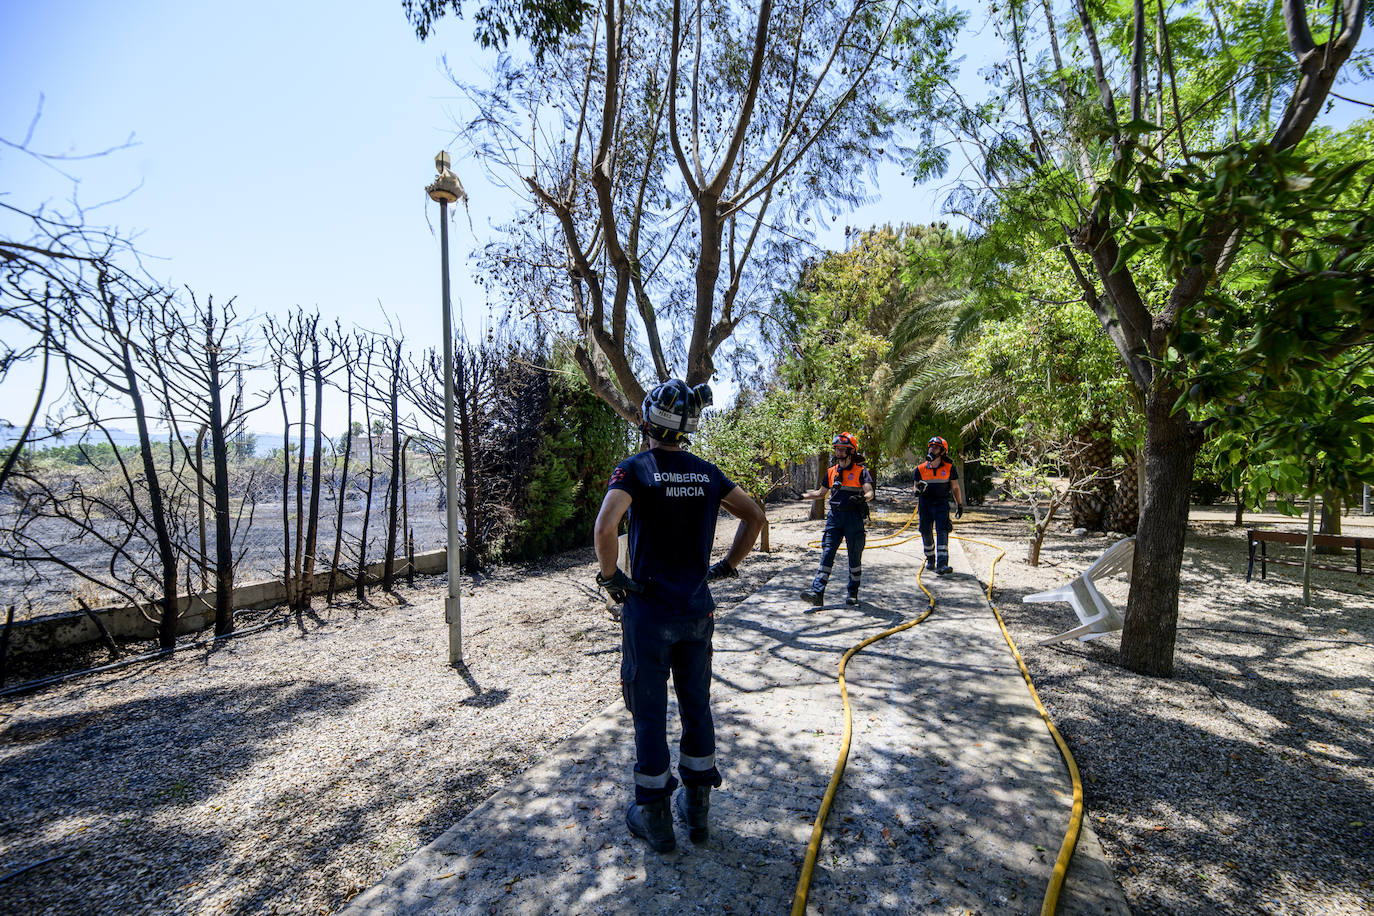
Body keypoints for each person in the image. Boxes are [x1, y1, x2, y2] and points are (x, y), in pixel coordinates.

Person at [592, 379, 766, 854]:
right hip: (696, 612)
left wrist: (612, 580)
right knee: (697, 706)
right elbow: (755, 517)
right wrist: (728, 566)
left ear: (647, 419)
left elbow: (606, 526)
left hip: (648, 615)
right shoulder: (708, 473)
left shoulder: (634, 470)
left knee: (649, 713)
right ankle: (698, 815)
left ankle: (655, 821)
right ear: (688, 429)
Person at [798, 432, 875, 607]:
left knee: (854, 556)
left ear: (851, 451)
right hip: (834, 518)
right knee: (827, 553)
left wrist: (863, 498)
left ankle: (852, 593)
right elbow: (821, 493)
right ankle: (817, 593)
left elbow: (870, 492)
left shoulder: (861, 471)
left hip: (853, 518)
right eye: (837, 449)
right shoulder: (831, 472)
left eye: (842, 449)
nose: (838, 452)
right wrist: (802, 497)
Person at [914, 435, 964, 575]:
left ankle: (942, 564)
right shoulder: (920, 468)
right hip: (925, 505)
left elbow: (955, 487)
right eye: (931, 446)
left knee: (942, 531)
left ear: (942, 451)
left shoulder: (949, 468)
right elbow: (915, 487)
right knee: (925, 531)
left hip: (941, 504)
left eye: (936, 447)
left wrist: (959, 505)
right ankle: (930, 558)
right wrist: (918, 490)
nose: (932, 449)